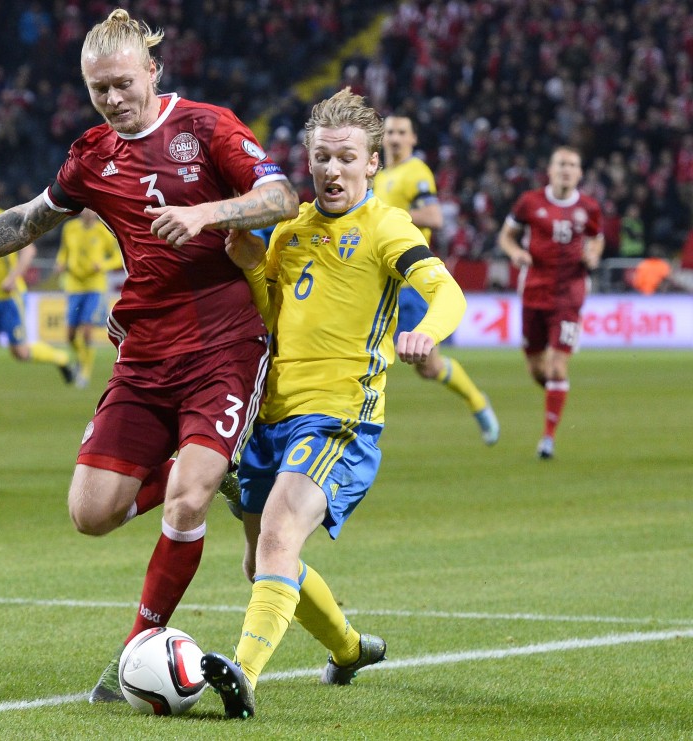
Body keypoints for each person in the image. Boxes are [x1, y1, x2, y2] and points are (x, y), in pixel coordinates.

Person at [0, 8, 298, 703]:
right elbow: (25, 221)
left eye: (122, 83)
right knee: (92, 513)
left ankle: (137, 645)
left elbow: (281, 195)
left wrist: (205, 214)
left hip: (226, 344)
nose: (111, 97)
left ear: (152, 72)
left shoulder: (208, 127)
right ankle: (215, 468)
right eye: (97, 87)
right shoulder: (93, 155)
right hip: (143, 352)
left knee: (187, 497)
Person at [199, 89, 467, 720]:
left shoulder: (388, 227)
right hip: (269, 418)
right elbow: (273, 317)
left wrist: (430, 329)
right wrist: (249, 269)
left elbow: (445, 289)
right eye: (322, 157)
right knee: (263, 559)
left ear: (372, 163)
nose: (332, 170)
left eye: (347, 157)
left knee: (277, 537)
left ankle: (245, 677)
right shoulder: (289, 232)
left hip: (340, 417)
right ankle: (348, 649)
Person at [373, 113, 499, 445]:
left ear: (413, 139)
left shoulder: (416, 172)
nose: (395, 137)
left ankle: (477, 401)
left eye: (402, 132)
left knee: (428, 367)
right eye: (390, 132)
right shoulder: (379, 176)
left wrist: (390, 215)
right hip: (376, 280)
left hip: (410, 281)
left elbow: (434, 216)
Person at [498, 145, 604, 460]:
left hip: (570, 295)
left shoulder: (589, 208)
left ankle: (548, 438)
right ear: (550, 169)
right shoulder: (529, 202)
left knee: (557, 367)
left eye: (572, 165)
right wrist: (515, 252)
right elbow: (506, 235)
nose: (566, 170)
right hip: (534, 291)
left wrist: (593, 255)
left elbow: (597, 237)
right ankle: (558, 394)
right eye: (561, 164)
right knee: (537, 368)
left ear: (580, 173)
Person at [0, 176, 77, 417]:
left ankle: (61, 358)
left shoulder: (6, 219)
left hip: (10, 297)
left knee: (20, 353)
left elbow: (28, 252)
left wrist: (13, 277)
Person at [54, 207, 123, 388]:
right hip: (74, 285)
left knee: (86, 331)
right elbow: (64, 251)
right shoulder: (70, 229)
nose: (86, 212)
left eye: (90, 209)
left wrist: (104, 264)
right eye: (83, 209)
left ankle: (84, 370)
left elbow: (118, 256)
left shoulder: (103, 231)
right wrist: (60, 263)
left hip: (95, 286)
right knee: (69, 335)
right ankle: (80, 359)